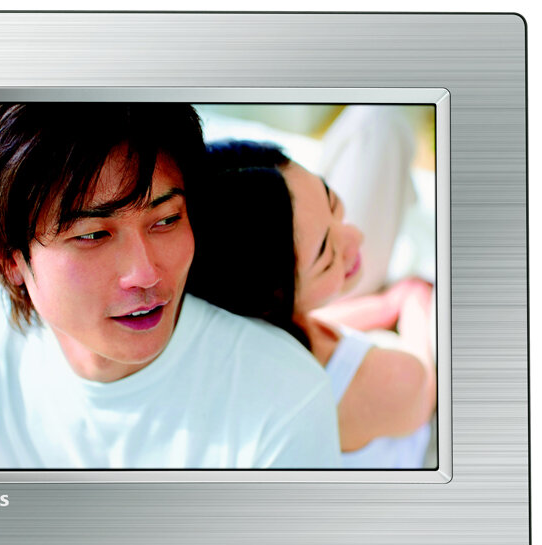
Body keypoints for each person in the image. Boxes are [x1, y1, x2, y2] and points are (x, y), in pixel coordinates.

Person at [0, 103, 341, 469]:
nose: (146, 274)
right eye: (93, 235)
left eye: (166, 220)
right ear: (10, 258)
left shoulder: (283, 398)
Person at [186, 140, 436, 468]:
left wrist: (386, 304)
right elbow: (425, 389)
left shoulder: (244, 334)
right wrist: (414, 303)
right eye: (327, 257)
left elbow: (321, 327)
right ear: (271, 303)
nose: (356, 237)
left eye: (332, 203)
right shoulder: (389, 381)